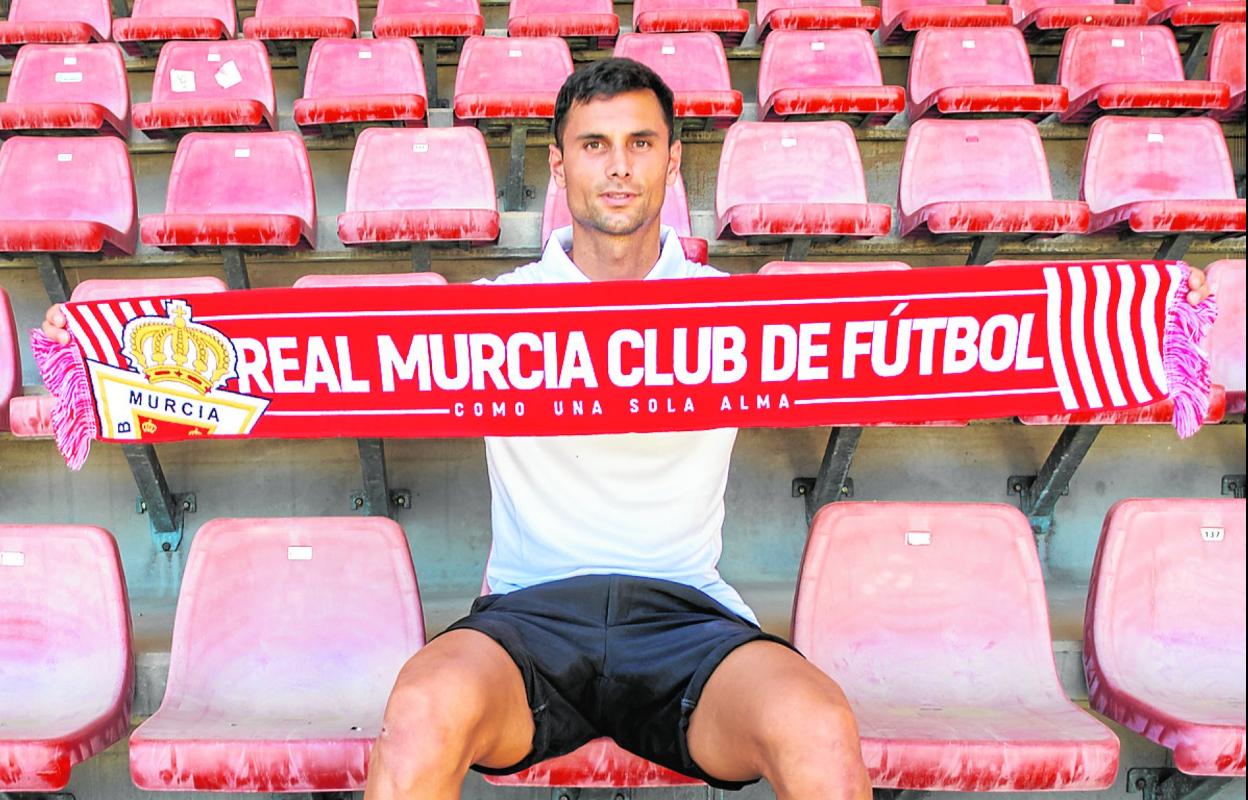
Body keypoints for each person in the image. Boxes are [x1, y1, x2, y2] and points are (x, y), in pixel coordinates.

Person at [41, 59, 1213, 800]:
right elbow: (302, 351)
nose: (619, 166)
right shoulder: (489, 319)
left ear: (670, 162)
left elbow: (932, 331)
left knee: (817, 725)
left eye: (641, 143)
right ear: (558, 167)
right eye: (595, 146)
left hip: (688, 617)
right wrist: (107, 364)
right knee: (418, 712)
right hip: (527, 617)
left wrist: (1145, 325)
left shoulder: (737, 313)